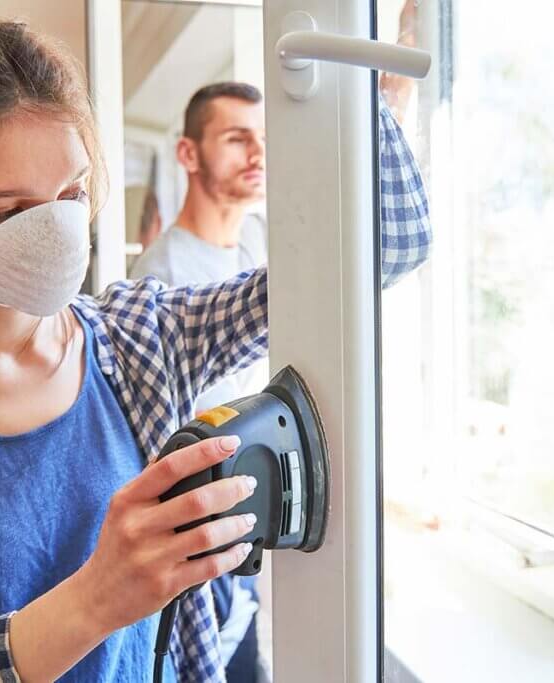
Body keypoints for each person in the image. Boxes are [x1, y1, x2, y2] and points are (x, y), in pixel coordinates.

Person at [0, 16, 431, 683]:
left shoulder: (145, 334)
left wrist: (364, 99)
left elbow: (384, 249)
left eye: (73, 194)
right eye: (8, 212)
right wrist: (95, 599)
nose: (56, 233)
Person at [130, 81, 432, 681]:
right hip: (215, 545)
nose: (257, 154)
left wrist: (368, 102)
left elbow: (374, 254)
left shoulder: (260, 237)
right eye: (237, 138)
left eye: (264, 139)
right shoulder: (161, 283)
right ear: (188, 154)